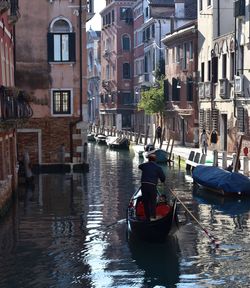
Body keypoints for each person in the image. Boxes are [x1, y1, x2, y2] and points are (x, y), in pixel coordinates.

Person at [138, 153, 165, 221]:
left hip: (144, 185)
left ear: (148, 159)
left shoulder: (144, 165)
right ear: (155, 160)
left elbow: (139, 166)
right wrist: (161, 180)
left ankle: (147, 217)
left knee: (146, 202)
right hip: (152, 186)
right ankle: (152, 217)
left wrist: (147, 165)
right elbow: (163, 178)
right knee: (153, 201)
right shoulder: (158, 168)